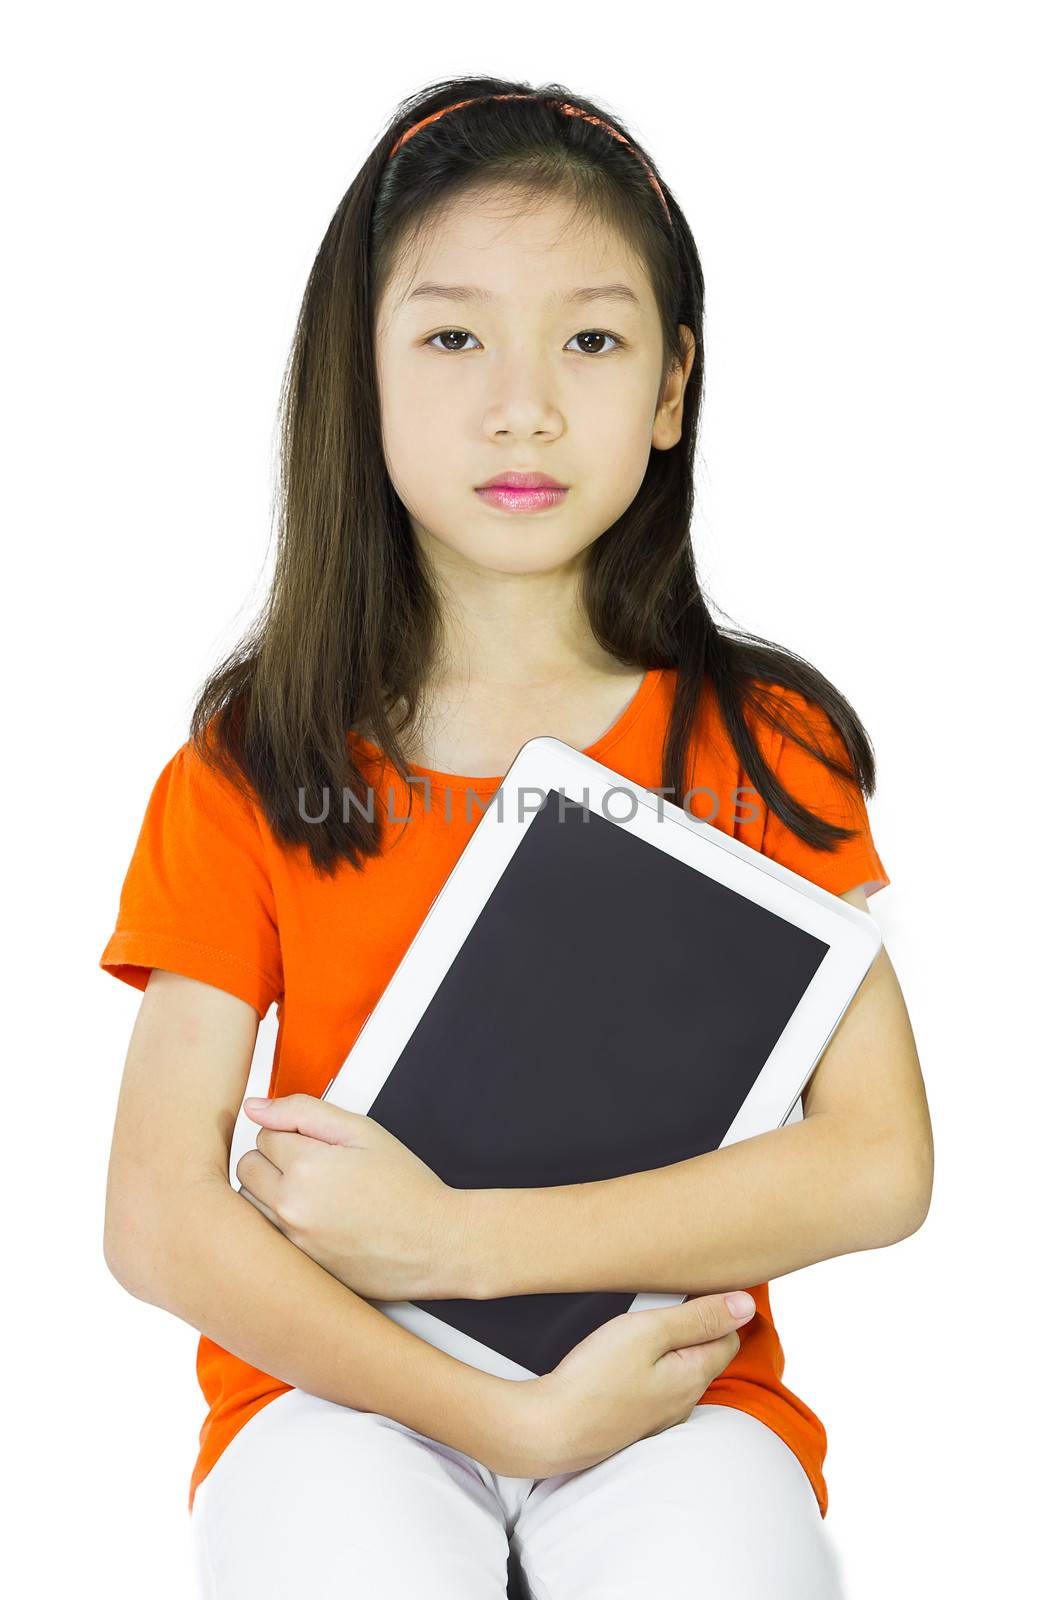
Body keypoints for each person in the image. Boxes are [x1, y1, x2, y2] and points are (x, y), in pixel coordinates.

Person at [100, 76, 933, 1599]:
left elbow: (876, 1163)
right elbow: (157, 1216)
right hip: (327, 1387)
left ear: (672, 387)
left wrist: (461, 1242)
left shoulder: (760, 745)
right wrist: (502, 1410)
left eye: (593, 340)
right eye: (451, 336)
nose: (524, 402)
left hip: (672, 1393)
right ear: (356, 377)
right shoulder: (252, 763)